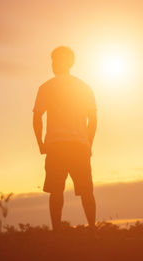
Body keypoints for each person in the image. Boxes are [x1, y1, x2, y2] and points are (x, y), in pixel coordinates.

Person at [33, 46, 97, 232]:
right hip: (79, 146)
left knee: (56, 191)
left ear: (64, 62)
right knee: (86, 192)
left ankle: (57, 233)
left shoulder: (46, 87)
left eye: (54, 60)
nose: (52, 64)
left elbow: (37, 117)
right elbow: (93, 119)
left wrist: (41, 144)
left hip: (56, 146)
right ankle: (92, 230)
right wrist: (89, 144)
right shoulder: (84, 87)